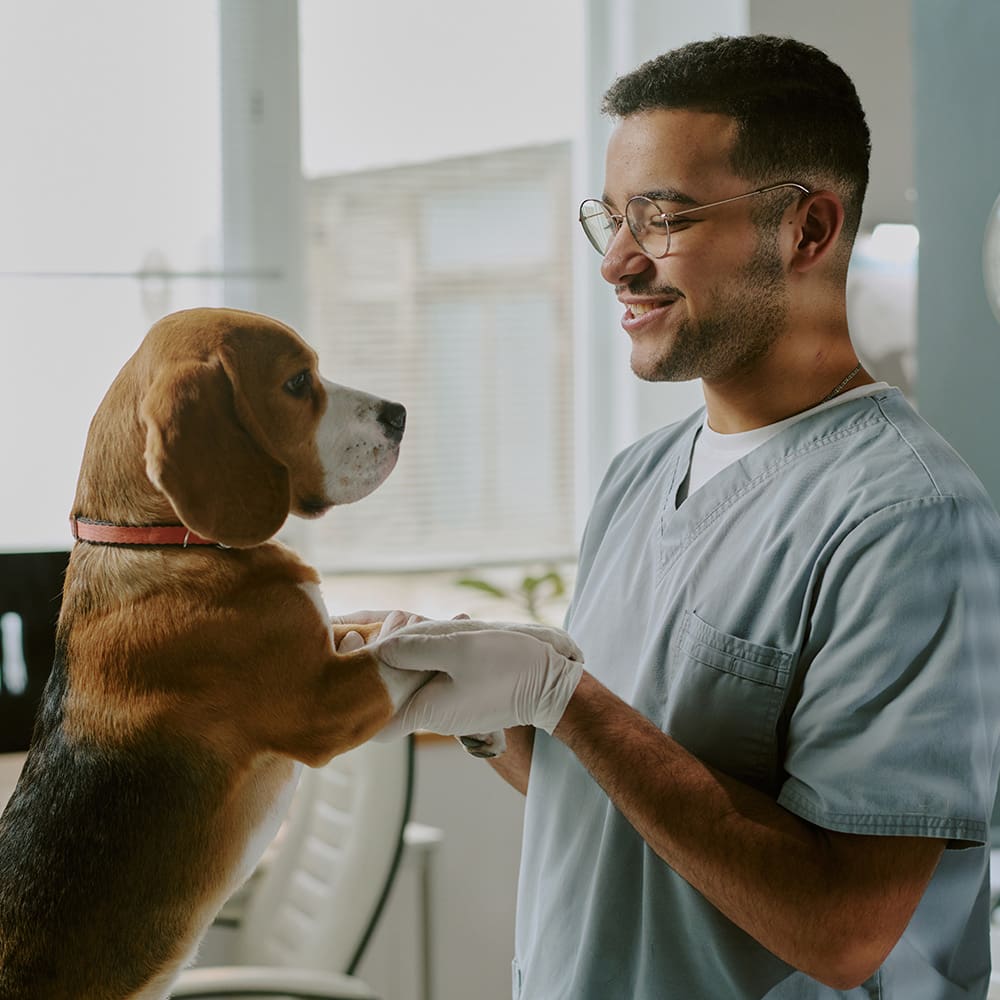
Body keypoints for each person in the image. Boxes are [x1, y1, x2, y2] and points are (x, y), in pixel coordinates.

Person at [345, 35, 1000, 999]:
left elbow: (845, 928)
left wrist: (567, 699)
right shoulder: (640, 478)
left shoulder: (907, 521)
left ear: (808, 230)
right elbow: (625, 795)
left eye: (661, 219)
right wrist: (492, 710)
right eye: (611, 219)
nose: (617, 262)